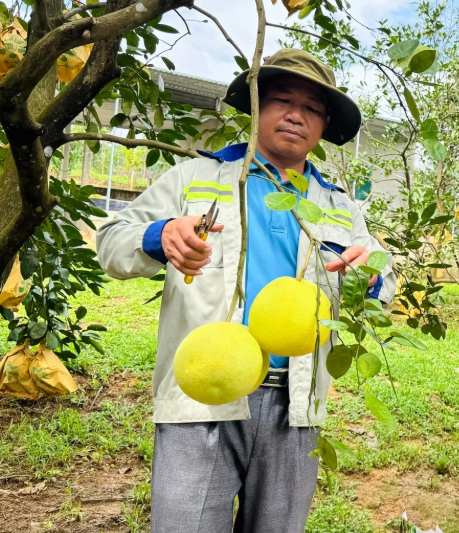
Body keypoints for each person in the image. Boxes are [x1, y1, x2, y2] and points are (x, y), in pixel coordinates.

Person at [97, 49, 395, 533]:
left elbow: (383, 287)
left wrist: (371, 278)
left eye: (312, 108)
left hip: (295, 408)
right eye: (281, 99)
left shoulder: (339, 207)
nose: (296, 115)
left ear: (323, 124)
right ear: (256, 106)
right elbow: (111, 242)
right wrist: (162, 235)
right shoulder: (198, 178)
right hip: (204, 394)